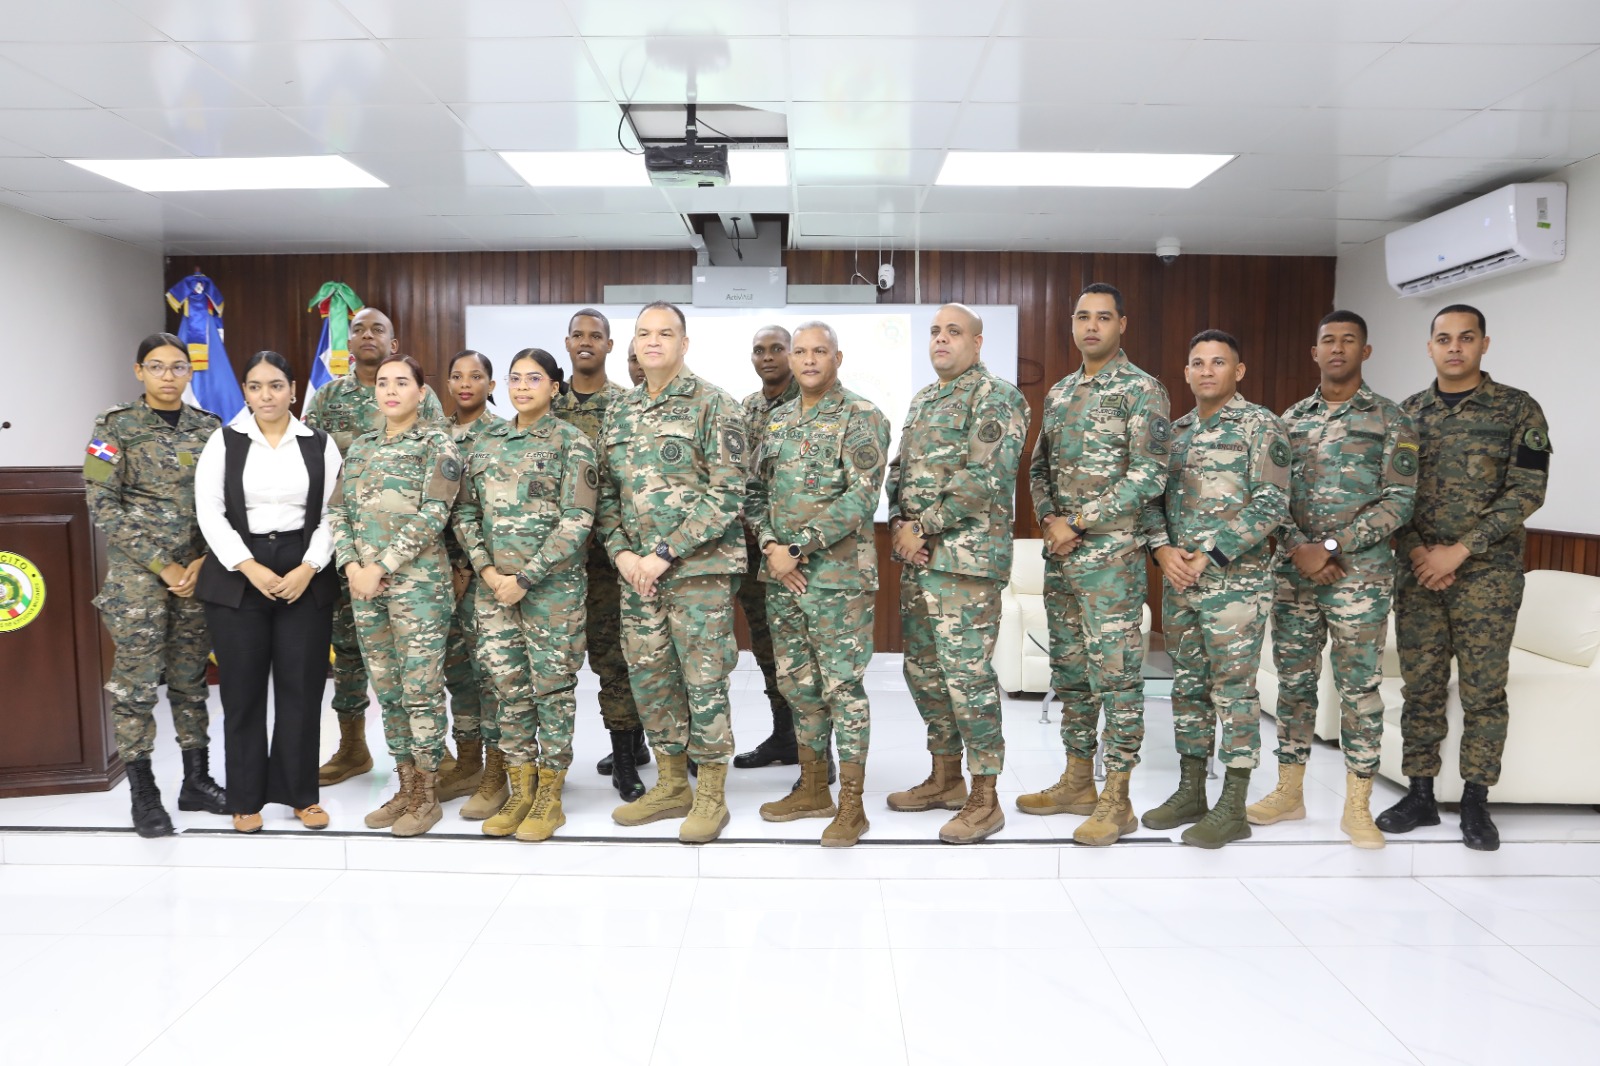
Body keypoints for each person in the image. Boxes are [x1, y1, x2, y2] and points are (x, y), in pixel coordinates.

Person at [1377, 304, 1551, 852]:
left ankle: (1476, 800)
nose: (1454, 347)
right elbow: (1392, 496)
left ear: (1484, 344)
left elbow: (1527, 491)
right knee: (1421, 687)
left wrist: (1459, 552)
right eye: (1444, 338)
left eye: (1465, 338)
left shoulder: (1518, 409)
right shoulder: (1407, 415)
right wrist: (1421, 554)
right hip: (1418, 573)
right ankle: (1421, 794)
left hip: (1488, 578)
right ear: (1429, 347)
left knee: (1482, 692)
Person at [1251, 312, 1417, 849]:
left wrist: (1329, 548)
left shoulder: (1392, 420)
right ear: (1314, 352)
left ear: (1365, 352)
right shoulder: (1289, 420)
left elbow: (1399, 499)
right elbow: (1271, 495)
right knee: (1294, 688)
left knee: (1359, 690)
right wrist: (1299, 547)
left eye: (1349, 341)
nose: (1338, 349)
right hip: (1294, 577)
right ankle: (1289, 792)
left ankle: (1357, 806)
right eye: (1329, 341)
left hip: (1359, 580)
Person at [1019, 282, 1169, 846]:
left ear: (1122, 325)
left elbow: (1149, 475)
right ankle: (1077, 781)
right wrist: (1051, 520)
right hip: (1062, 559)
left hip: (1111, 559)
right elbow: (1038, 469)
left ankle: (1118, 798)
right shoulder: (1059, 393)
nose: (1091, 327)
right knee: (1073, 676)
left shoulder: (1142, 390)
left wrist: (1077, 522)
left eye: (1103, 317)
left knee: (1118, 680)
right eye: (1083, 317)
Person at [596, 301, 747, 844]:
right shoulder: (620, 412)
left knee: (704, 682)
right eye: (643, 334)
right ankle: (670, 783)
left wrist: (664, 551)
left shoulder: (714, 405)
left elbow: (728, 493)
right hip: (638, 577)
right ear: (633, 345)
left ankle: (710, 793)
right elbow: (607, 495)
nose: (652, 342)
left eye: (665, 333)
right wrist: (623, 556)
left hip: (697, 572)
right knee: (651, 680)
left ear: (685, 344)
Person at [885, 303, 1029, 844]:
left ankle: (984, 797)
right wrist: (902, 525)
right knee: (923, 674)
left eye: (953, 332)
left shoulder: (996, 397)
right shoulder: (925, 399)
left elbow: (985, 477)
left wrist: (922, 527)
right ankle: (945, 778)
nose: (941, 340)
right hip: (920, 561)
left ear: (978, 341)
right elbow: (899, 470)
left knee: (967, 679)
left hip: (965, 564)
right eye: (935, 332)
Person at [1140, 330, 1290, 849]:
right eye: (1197, 362)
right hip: (1180, 584)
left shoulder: (1260, 426)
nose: (1207, 371)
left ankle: (1233, 804)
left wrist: (1212, 552)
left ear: (1238, 371)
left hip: (1234, 585)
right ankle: (1190, 790)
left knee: (1234, 694)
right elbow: (1151, 498)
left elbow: (1272, 503)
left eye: (1218, 362)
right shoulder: (1175, 433)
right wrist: (1162, 550)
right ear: (1186, 373)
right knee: (1187, 688)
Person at [748, 321, 890, 846]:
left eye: (819, 351)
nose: (808, 360)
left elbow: (861, 498)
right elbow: (754, 492)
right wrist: (769, 546)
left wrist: (797, 548)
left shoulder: (862, 416)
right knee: (799, 687)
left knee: (842, 690)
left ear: (837, 357)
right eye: (801, 351)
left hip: (837, 579)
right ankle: (812, 787)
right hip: (783, 578)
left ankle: (852, 806)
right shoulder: (777, 421)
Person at [83, 333, 226, 836]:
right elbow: (100, 501)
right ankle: (143, 795)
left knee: (191, 683)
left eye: (178, 367)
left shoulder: (210, 429)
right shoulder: (113, 426)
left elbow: (223, 502)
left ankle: (196, 781)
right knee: (136, 689)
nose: (169, 376)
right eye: (158, 367)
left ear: (191, 373)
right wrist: (160, 565)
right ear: (139, 371)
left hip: (196, 575)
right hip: (138, 582)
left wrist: (205, 561)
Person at [455, 348, 598, 841]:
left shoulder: (571, 443)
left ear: (554, 387)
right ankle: (518, 790)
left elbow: (577, 519)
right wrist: (489, 572)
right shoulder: (486, 441)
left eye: (533, 378)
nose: (521, 387)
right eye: (514, 378)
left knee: (552, 692)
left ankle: (549, 798)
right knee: (508, 693)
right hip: (494, 591)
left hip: (550, 592)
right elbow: (465, 514)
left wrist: (525, 577)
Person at [195, 351, 341, 832]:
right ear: (245, 392)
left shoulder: (319, 444)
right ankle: (245, 798)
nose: (266, 395)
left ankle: (302, 796)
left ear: (294, 389)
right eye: (256, 386)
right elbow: (210, 512)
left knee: (301, 691)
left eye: (276, 385)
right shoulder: (224, 442)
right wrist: (248, 566)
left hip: (305, 572)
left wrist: (309, 566)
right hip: (239, 574)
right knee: (243, 693)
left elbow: (333, 514)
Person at [303, 307, 448, 789]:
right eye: (358, 329)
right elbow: (318, 473)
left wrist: (383, 563)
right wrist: (349, 562)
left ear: (394, 340)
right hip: (350, 558)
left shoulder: (424, 412)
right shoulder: (328, 397)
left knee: (419, 671)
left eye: (377, 329)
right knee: (351, 655)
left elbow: (437, 495)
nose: (366, 336)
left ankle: (430, 766)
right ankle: (353, 746)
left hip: (410, 566)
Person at [327, 354, 462, 837]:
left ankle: (427, 795)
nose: (390, 390)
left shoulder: (436, 445)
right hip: (365, 589)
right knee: (388, 691)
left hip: (417, 588)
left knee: (420, 691)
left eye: (401, 382)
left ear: (420, 392)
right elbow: (337, 511)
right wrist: (351, 564)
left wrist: (381, 565)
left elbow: (434, 514)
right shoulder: (360, 448)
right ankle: (404, 785)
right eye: (383, 383)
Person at [552, 309, 648, 802]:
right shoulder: (545, 404)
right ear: (567, 344)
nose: (586, 342)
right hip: (553, 565)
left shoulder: (628, 407)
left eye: (596, 336)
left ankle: (627, 757)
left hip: (611, 559)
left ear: (610, 346)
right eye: (578, 335)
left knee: (615, 660)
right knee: (563, 664)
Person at [731, 324, 808, 775]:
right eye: (759, 350)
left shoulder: (810, 404)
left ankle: (815, 748)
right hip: (752, 550)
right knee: (766, 648)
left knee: (802, 653)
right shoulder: (748, 407)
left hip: (797, 553)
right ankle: (785, 737)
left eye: (777, 349)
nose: (768, 357)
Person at [441, 351, 506, 816]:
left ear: (491, 383)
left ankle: (497, 772)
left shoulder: (503, 435)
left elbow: (502, 513)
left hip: (485, 575)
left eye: (476, 376)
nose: (466, 384)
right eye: (457, 376)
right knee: (457, 673)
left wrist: (471, 567)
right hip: (434, 577)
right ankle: (467, 762)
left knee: (494, 675)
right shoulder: (432, 435)